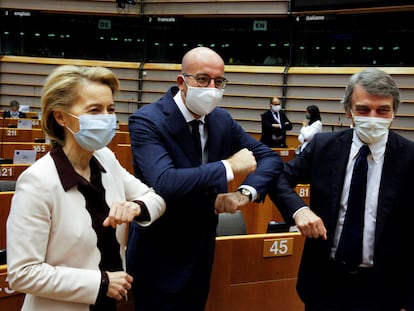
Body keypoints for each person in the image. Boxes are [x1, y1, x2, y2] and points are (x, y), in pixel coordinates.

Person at [127, 46, 282, 311]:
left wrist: (244, 193)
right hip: (160, 252)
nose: (212, 87)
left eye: (219, 81)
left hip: (202, 249)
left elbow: (270, 158)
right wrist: (227, 167)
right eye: (202, 79)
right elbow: (165, 181)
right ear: (182, 82)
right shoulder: (147, 120)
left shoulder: (221, 120)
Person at [6, 65, 166, 311]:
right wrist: (100, 283)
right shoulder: (37, 181)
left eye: (110, 109)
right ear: (60, 117)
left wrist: (136, 207)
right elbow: (23, 273)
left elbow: (155, 198)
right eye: (94, 110)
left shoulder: (105, 158)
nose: (107, 117)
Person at [269, 68, 414, 311]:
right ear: (349, 111)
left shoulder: (410, 157)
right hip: (325, 282)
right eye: (364, 109)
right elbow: (278, 178)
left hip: (385, 288)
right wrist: (298, 211)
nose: (373, 117)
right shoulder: (323, 147)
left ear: (394, 113)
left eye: (383, 110)